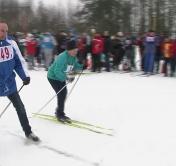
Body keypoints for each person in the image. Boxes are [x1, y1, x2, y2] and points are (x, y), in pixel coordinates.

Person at [0, 21, 39, 142]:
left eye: (6, 30)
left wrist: (24, 76)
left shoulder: (11, 43)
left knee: (20, 108)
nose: (4, 33)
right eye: (2, 30)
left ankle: (28, 132)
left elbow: (18, 61)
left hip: (9, 83)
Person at [47, 40, 83, 123]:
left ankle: (58, 110)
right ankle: (60, 114)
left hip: (62, 76)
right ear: (69, 50)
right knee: (61, 94)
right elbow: (56, 71)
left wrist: (81, 64)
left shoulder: (73, 57)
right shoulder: (62, 57)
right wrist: (67, 78)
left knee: (63, 93)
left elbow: (76, 67)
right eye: (74, 50)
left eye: (76, 50)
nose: (75, 52)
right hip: (53, 77)